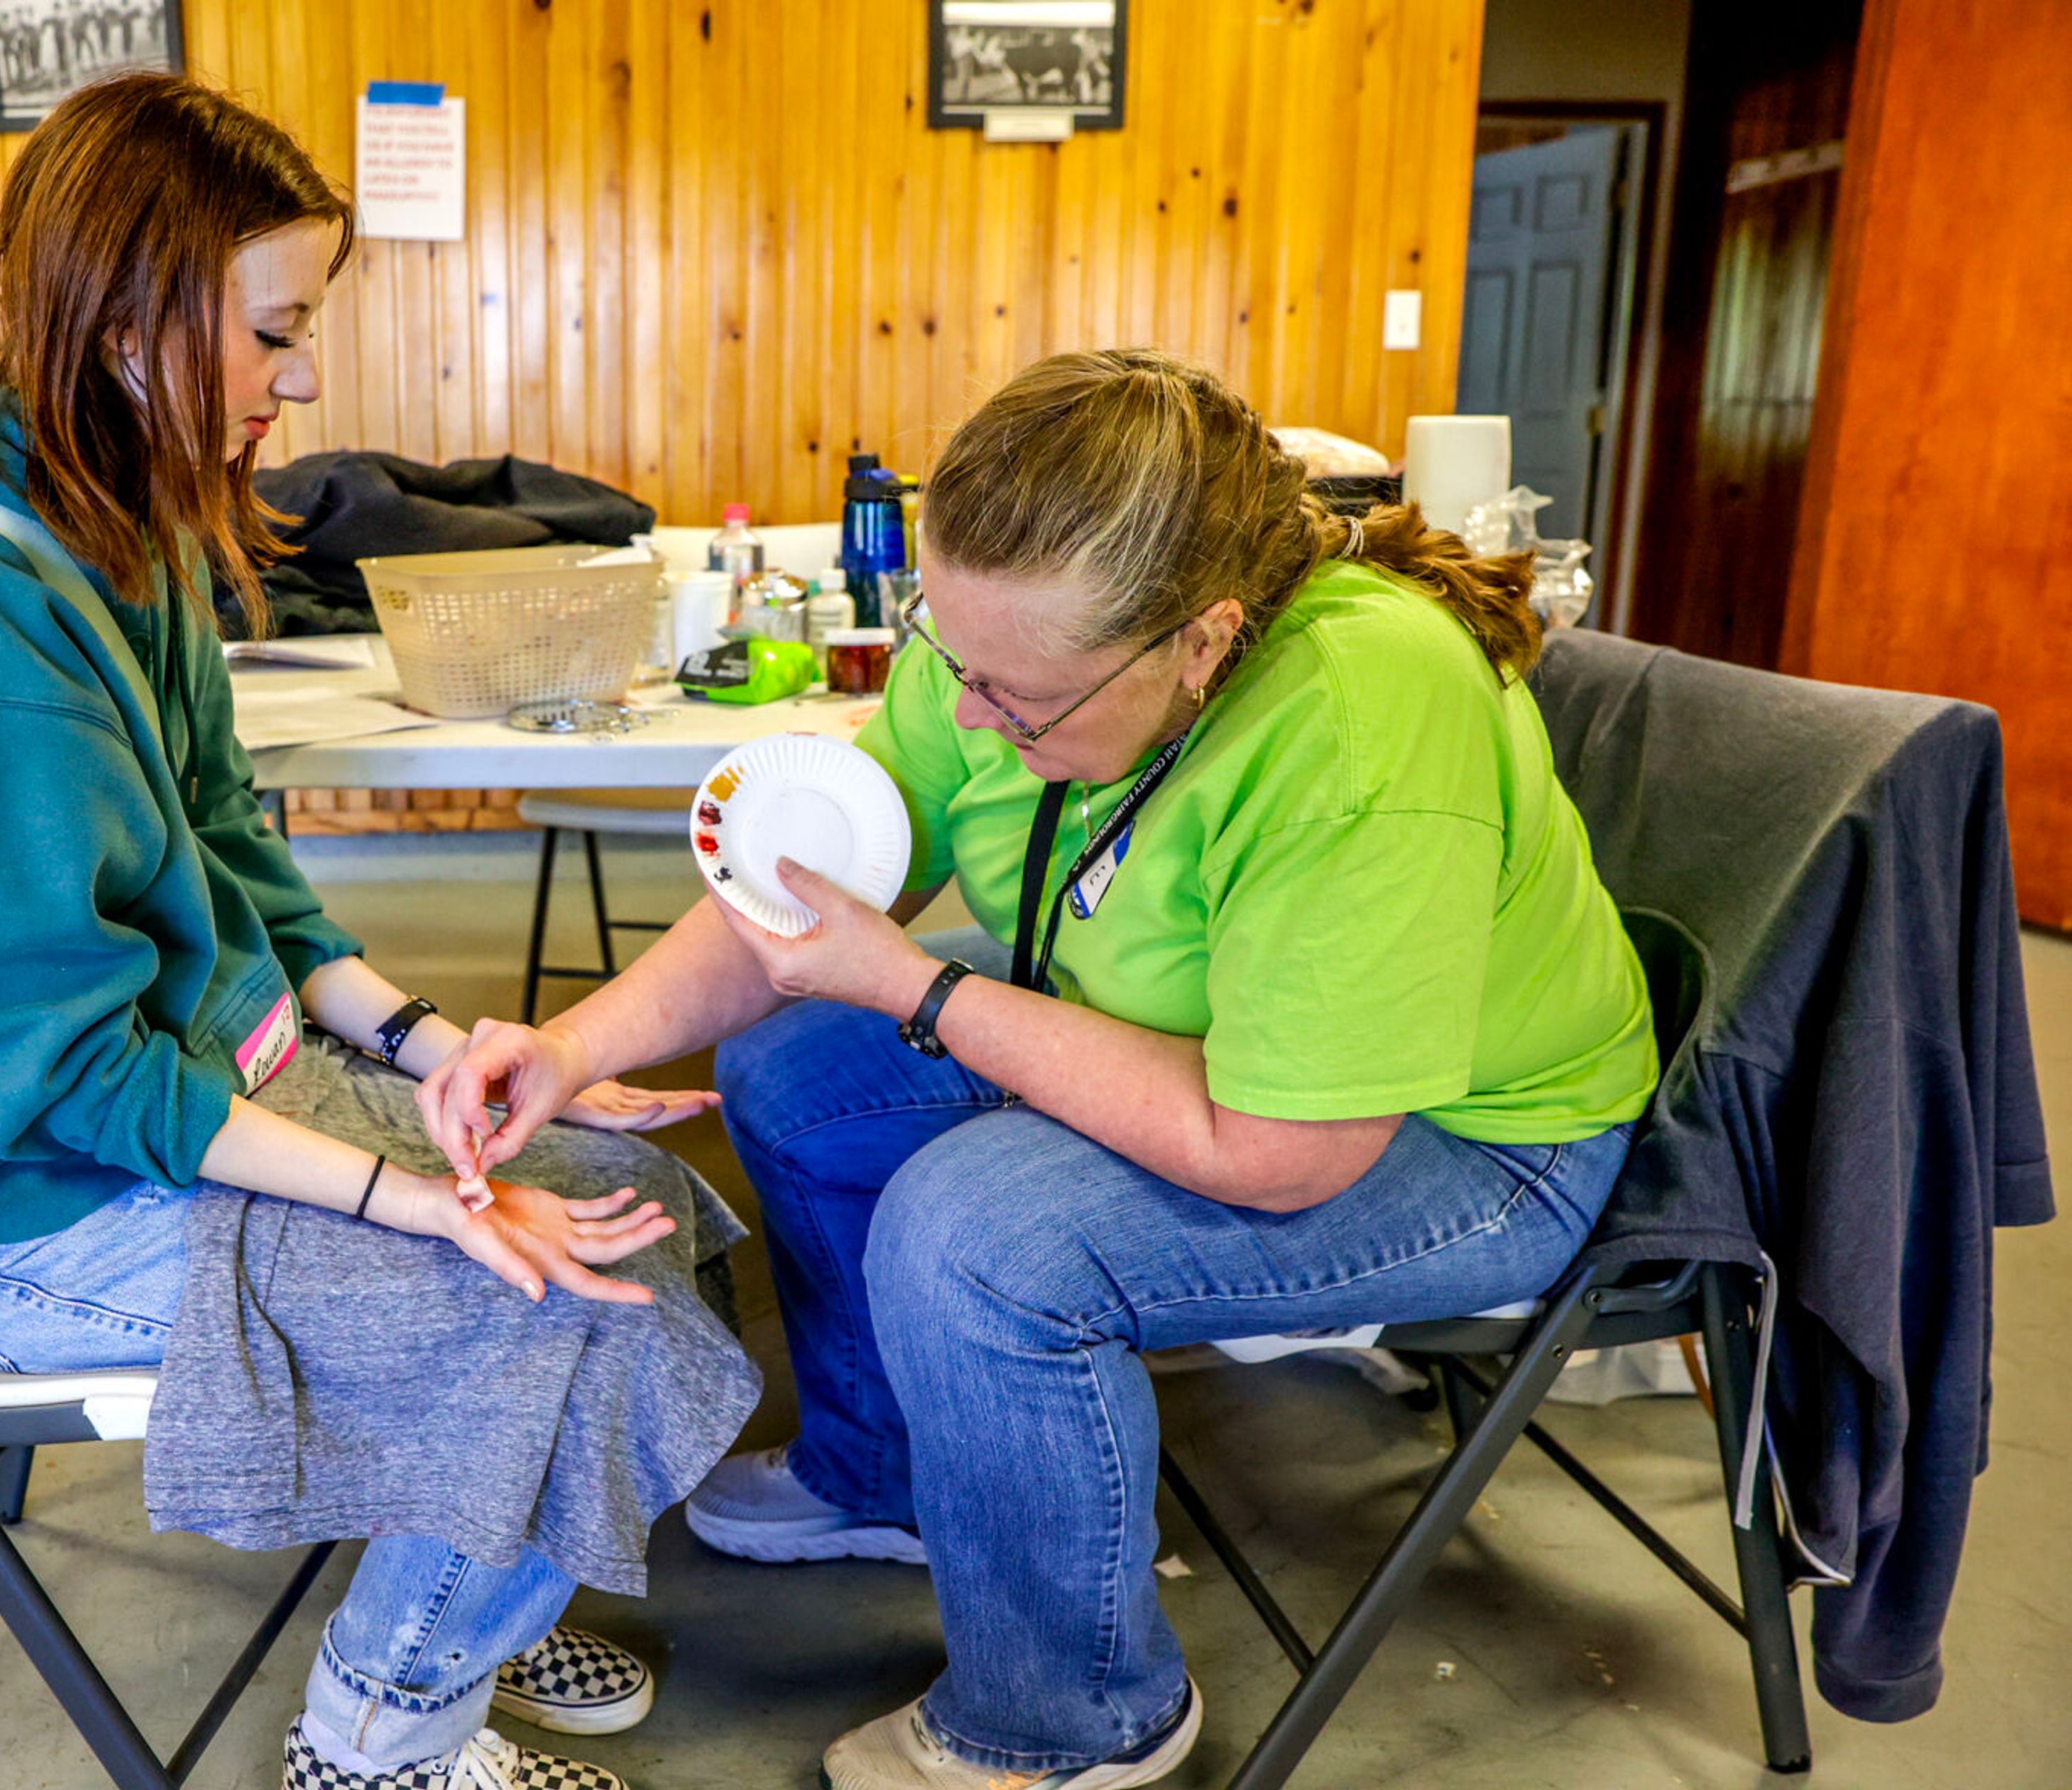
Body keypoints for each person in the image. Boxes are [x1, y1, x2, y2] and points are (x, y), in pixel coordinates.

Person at [420, 349, 1661, 1788]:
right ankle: (879, 1470)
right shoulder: (1030, 644)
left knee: (980, 1237)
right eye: (952, 659)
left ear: (1201, 643)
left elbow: (1283, 1152)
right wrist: (567, 1049)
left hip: (1466, 1140)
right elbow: (795, 896)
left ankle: (1069, 1725)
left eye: (1016, 698)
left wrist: (923, 987)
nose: (967, 715)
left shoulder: (1360, 721)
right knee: (800, 1066)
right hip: (1219, 1045)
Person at [0, 73, 756, 1790]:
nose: (301, 380)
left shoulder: (115, 527)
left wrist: (445, 1055)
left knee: (633, 1206)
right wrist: (403, 1193)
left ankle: (462, 1571)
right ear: (126, 315)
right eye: (274, 331)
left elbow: (231, 859)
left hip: (154, 1099)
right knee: (570, 1313)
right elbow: (38, 1072)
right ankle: (385, 1729)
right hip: (19, 1201)